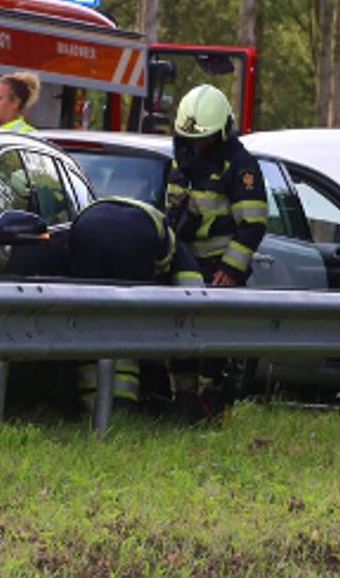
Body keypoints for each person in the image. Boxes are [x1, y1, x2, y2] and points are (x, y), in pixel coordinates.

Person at [165, 83, 269, 408]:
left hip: (218, 267)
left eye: (204, 138)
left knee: (212, 344)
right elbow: (170, 211)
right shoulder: (182, 160)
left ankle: (210, 404)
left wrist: (230, 269)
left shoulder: (240, 166)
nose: (199, 144)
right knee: (180, 338)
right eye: (192, 138)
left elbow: (253, 223)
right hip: (184, 262)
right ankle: (182, 401)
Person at [65, 196, 201, 412]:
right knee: (128, 328)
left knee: (90, 322)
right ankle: (121, 404)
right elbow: (192, 297)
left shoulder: (138, 218)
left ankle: (91, 403)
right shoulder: (175, 250)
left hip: (85, 228)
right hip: (136, 236)